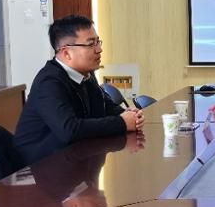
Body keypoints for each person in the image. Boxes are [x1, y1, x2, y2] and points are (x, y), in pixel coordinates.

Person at [13, 15, 144, 166]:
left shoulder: (86, 74)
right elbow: (69, 130)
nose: (99, 49)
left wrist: (128, 115)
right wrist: (121, 123)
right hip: (38, 168)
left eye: (98, 42)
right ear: (66, 53)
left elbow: (105, 107)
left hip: (73, 160)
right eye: (91, 44)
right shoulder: (49, 82)